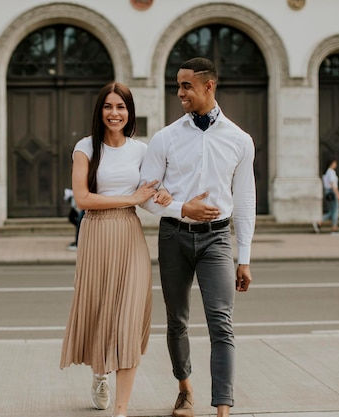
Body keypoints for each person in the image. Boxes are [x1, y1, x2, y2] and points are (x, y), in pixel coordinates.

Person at [139, 57, 256, 417]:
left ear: (209, 86)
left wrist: (245, 257)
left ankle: (223, 407)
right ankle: (185, 390)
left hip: (217, 240)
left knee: (221, 322)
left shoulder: (239, 140)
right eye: (178, 85)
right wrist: (179, 209)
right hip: (174, 237)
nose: (179, 93)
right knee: (177, 320)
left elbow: (245, 199)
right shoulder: (166, 138)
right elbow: (144, 195)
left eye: (186, 85)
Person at [60, 81, 171, 417]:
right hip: (95, 232)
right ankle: (99, 374)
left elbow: (153, 192)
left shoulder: (141, 149)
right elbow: (82, 199)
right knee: (100, 311)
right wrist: (132, 198)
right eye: (109, 106)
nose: (114, 113)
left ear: (129, 112)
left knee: (128, 318)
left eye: (121, 107)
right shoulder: (86, 148)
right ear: (100, 111)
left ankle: (121, 411)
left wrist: (163, 196)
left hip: (129, 234)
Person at [313, 158, 339, 235]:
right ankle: (334, 227)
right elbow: (333, 184)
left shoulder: (326, 172)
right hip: (332, 192)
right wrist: (338, 193)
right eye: (335, 163)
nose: (336, 165)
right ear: (332, 163)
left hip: (327, 192)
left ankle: (319, 223)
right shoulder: (331, 172)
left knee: (331, 211)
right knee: (336, 210)